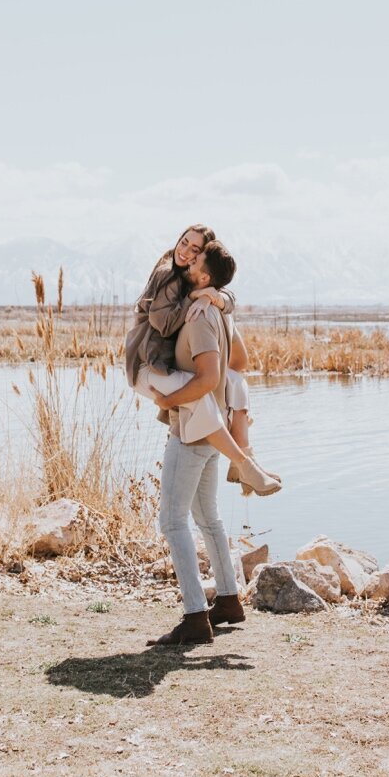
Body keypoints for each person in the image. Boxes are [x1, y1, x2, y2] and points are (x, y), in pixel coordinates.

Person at [146, 241, 252, 645]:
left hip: (192, 427)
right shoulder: (219, 311)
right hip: (215, 423)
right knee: (208, 516)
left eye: (195, 262)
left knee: (173, 521)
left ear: (204, 277)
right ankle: (227, 600)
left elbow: (209, 377)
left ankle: (194, 616)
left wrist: (170, 398)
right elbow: (237, 361)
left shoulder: (200, 315)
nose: (187, 263)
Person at [124, 226, 280, 496]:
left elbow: (227, 295)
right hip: (148, 364)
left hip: (169, 365)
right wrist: (195, 297)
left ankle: (243, 456)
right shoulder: (168, 275)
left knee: (237, 381)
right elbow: (162, 323)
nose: (184, 252)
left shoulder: (191, 277)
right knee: (201, 395)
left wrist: (217, 297)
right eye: (183, 243)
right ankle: (246, 466)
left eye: (194, 251)